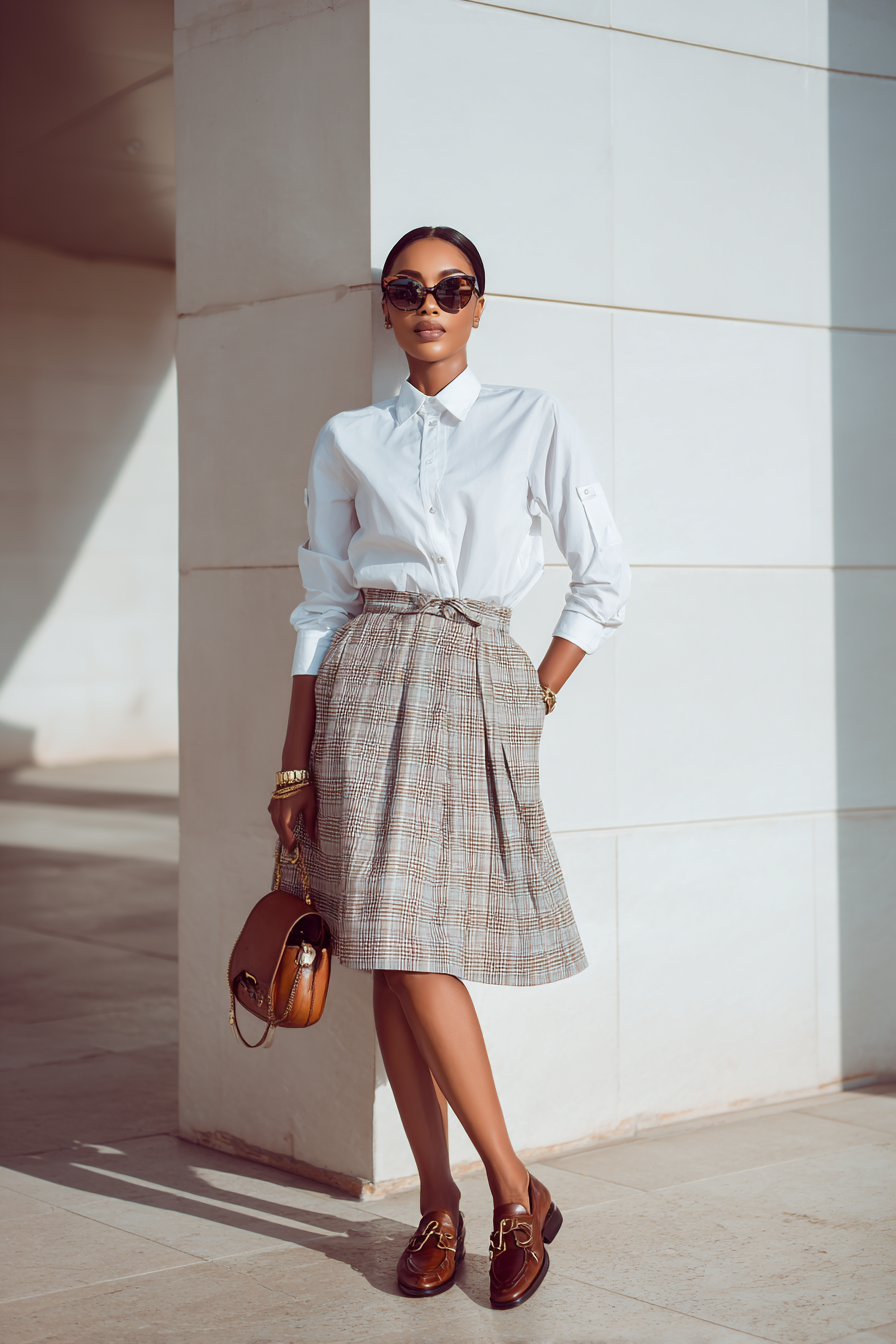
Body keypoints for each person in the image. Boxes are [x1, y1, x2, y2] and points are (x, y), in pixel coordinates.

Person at [269, 225, 630, 1309]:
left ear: (479, 305)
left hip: (473, 680)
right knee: (387, 949)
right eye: (407, 288)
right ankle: (447, 1201)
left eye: (451, 287)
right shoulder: (346, 438)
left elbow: (601, 575)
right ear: (384, 307)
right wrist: (295, 763)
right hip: (366, 681)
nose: (429, 304)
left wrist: (537, 687)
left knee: (421, 949)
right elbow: (323, 601)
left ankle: (509, 1189)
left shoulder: (531, 420)